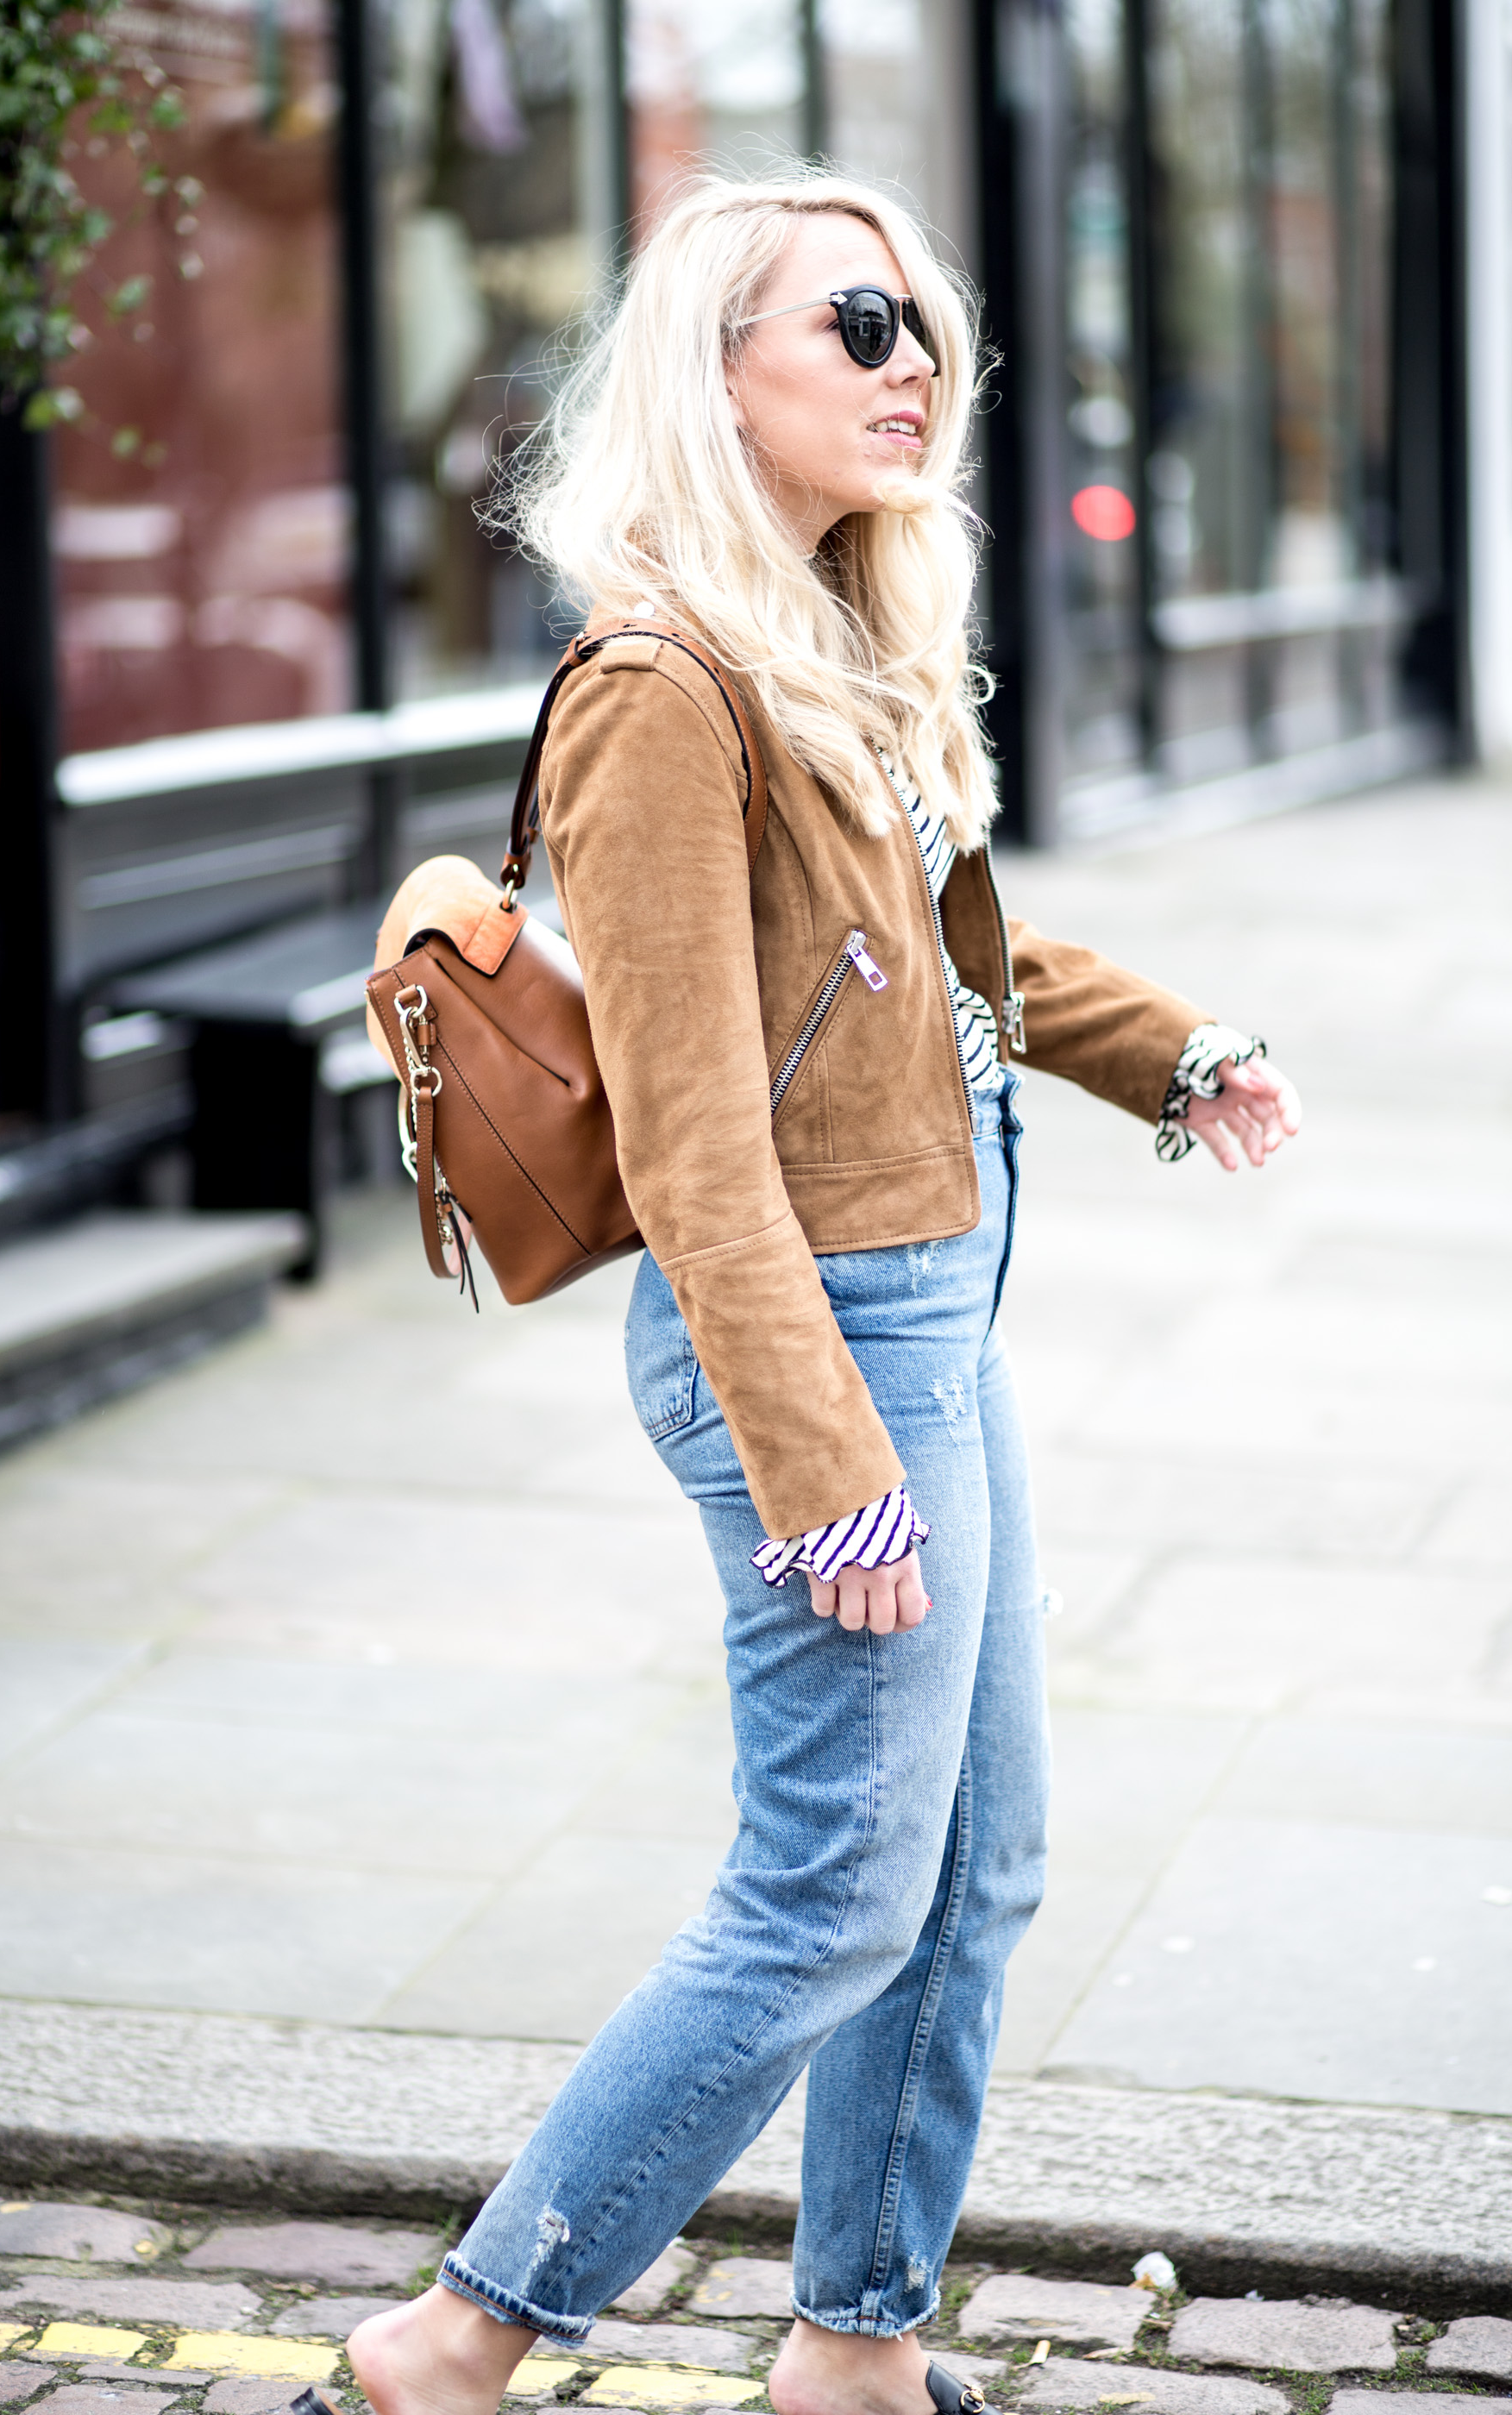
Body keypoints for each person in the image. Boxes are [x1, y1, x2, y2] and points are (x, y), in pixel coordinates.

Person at [341, 170, 1300, 2415]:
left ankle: (852, 2351)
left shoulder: (828, 634)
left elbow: (942, 969)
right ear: (714, 374)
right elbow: (688, 1130)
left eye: (923, 325)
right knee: (832, 1892)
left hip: (924, 1308)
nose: (911, 365)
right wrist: (818, 1455)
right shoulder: (659, 690)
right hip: (819, 1346)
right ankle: (461, 2332)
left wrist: (1173, 1048)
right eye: (852, 324)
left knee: (971, 1877)